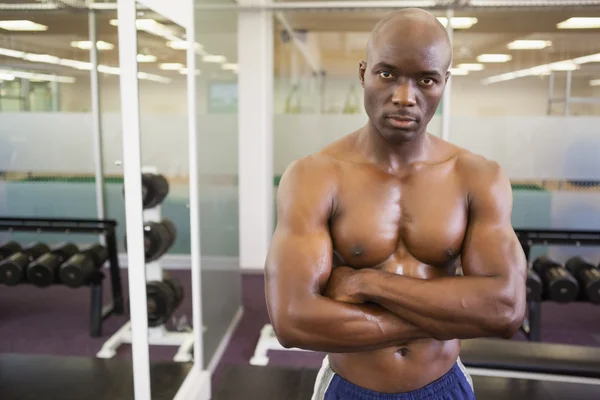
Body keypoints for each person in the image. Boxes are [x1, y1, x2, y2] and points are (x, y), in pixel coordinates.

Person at [264, 8, 527, 400]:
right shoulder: (314, 176)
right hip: (350, 387)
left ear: (444, 83)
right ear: (362, 73)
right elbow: (293, 320)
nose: (405, 97)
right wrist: (450, 317)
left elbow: (505, 310)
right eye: (387, 74)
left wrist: (364, 281)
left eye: (426, 79)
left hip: (443, 384)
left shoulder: (477, 177)